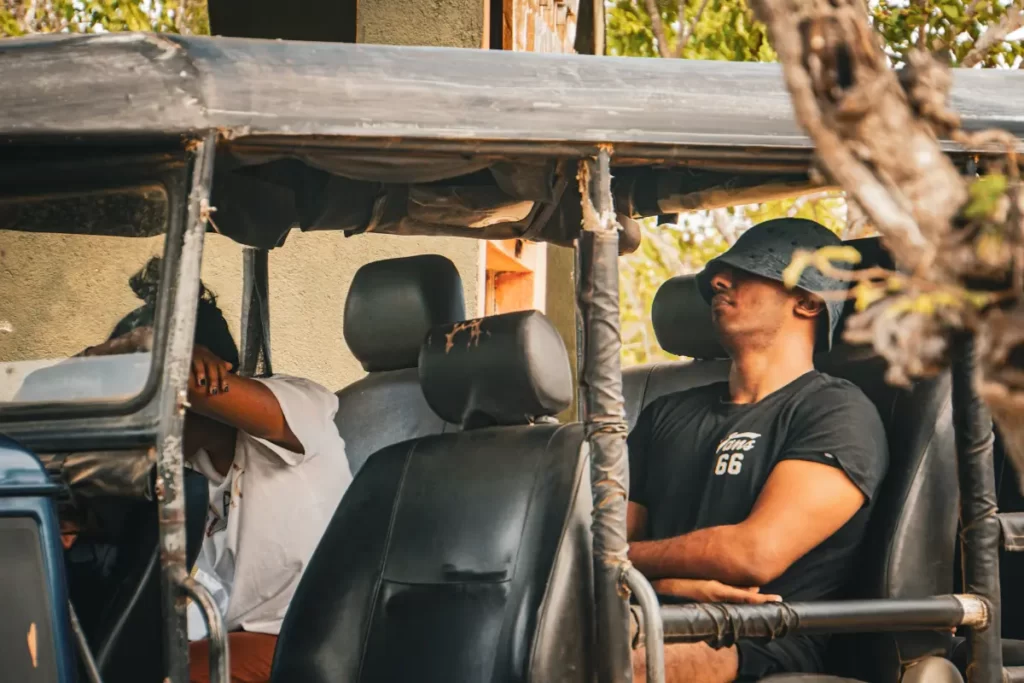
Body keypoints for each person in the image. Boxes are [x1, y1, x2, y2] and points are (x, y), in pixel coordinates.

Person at [627, 218, 889, 682]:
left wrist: (631, 562)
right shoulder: (662, 413)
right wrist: (662, 583)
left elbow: (754, 554)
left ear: (808, 302)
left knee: (611, 663)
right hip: (645, 614)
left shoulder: (836, 412)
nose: (716, 283)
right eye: (718, 275)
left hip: (757, 641)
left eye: (748, 272)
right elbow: (600, 549)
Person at [83, 257, 353, 683]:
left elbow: (193, 386)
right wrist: (109, 356)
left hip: (309, 637)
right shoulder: (188, 465)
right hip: (234, 633)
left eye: (149, 400)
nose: (140, 420)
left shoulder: (297, 403)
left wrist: (151, 348)